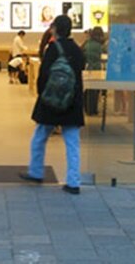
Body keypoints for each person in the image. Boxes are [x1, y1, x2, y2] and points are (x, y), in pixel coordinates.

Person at [19, 16, 85, 194]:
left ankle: (36, 171)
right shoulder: (77, 50)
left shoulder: (52, 49)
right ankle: (73, 182)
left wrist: (43, 97)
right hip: (72, 102)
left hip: (51, 103)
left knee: (40, 137)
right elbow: (79, 73)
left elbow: (44, 76)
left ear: (55, 29)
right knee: (72, 144)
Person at [82, 27, 106, 116]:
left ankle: (86, 108)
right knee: (95, 91)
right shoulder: (99, 45)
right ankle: (93, 109)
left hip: (87, 67)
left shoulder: (87, 43)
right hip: (96, 67)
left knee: (87, 90)